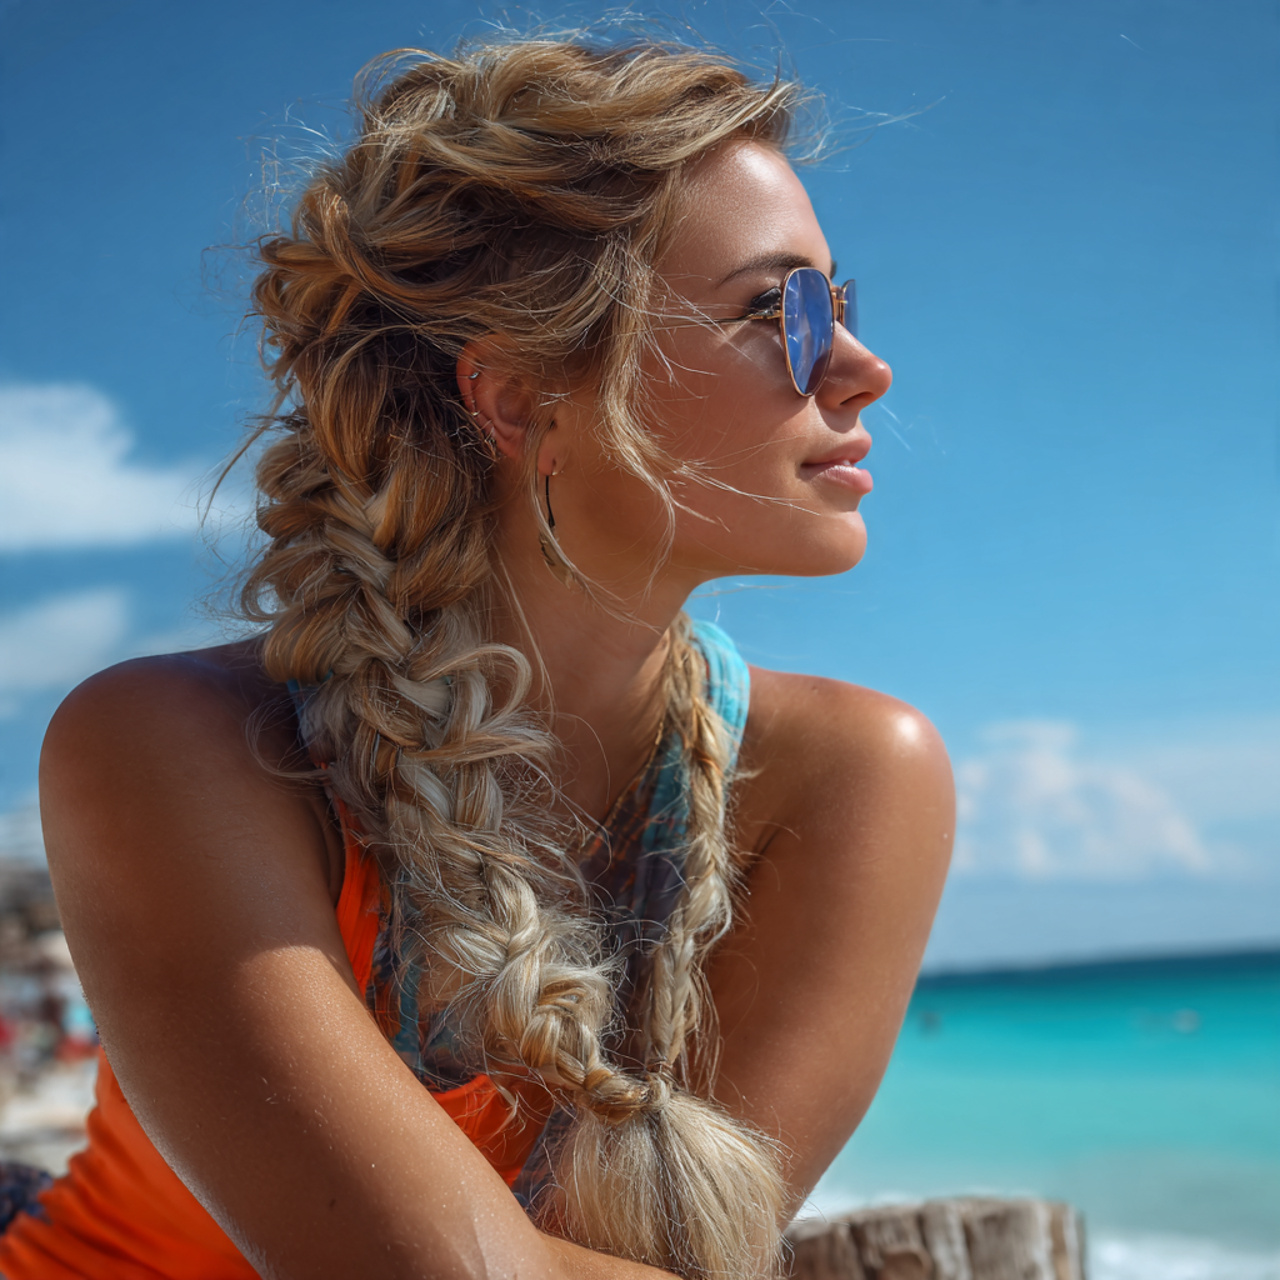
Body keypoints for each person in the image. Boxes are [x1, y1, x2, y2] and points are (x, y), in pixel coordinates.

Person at [0, 33, 954, 1280]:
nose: (860, 368)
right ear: (516, 397)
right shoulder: (180, 746)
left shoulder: (852, 775)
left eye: (838, 303)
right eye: (776, 311)